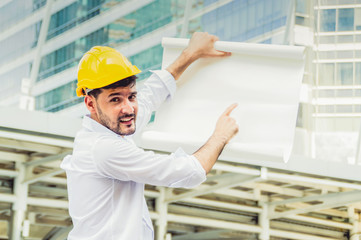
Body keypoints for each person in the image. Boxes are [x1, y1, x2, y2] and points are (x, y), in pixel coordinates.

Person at [61, 32, 239, 240]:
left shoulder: (113, 126)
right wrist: (220, 136)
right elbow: (187, 172)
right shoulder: (103, 149)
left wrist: (191, 54)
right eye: (115, 99)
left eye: (131, 96)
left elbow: (149, 97)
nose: (128, 108)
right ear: (91, 103)